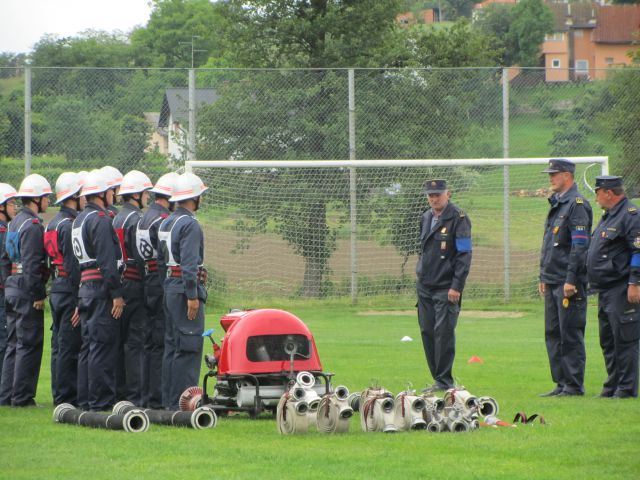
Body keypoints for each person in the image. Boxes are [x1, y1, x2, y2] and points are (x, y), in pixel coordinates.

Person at [538, 159, 593, 397]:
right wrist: (543, 275)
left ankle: (573, 385)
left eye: (554, 174)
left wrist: (571, 279)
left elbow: (579, 247)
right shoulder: (558, 203)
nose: (550, 178)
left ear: (567, 176)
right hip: (552, 279)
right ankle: (561, 383)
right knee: (553, 333)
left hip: (567, 282)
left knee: (570, 332)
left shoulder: (577, 205)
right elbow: (549, 245)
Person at [73, 169, 125, 411]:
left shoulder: (78, 220)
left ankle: (85, 400)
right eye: (111, 192)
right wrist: (116, 294)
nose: (114, 195)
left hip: (85, 288)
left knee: (88, 347)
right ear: (102, 194)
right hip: (100, 288)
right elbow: (107, 261)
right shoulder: (101, 220)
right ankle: (101, 403)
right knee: (102, 347)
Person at [416, 179, 472, 392]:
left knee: (444, 332)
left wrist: (457, 286)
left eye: (437, 194)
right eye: (430, 194)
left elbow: (464, 255)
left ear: (447, 194)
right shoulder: (426, 216)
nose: (433, 198)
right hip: (425, 285)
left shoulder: (459, 218)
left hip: (446, 286)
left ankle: (444, 380)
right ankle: (437, 379)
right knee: (427, 331)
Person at [587, 175, 640, 399]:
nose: (596, 197)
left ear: (609, 192)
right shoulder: (609, 216)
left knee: (625, 340)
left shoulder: (631, 216)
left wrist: (635, 283)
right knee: (608, 340)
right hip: (605, 289)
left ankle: (626, 389)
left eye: (597, 192)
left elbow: (638, 251)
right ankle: (612, 385)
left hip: (622, 288)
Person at [0, 174, 51, 407]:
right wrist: (38, 294)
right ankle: (21, 397)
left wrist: (9, 282)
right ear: (36, 199)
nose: (48, 202)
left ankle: (6, 395)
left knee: (13, 344)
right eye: (46, 198)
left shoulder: (13, 223)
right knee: (28, 343)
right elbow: (32, 264)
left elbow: (4, 259)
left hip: (12, 285)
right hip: (26, 289)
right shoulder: (31, 226)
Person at [158, 172, 208, 409]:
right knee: (188, 348)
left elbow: (160, 262)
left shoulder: (167, 221)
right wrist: (192, 296)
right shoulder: (189, 224)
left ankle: (169, 402)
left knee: (172, 348)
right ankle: (184, 404)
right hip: (184, 291)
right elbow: (189, 265)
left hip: (169, 288)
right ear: (194, 197)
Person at [137, 172, 178, 408]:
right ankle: (158, 398)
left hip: (146, 280)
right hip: (160, 282)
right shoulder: (162, 220)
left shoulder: (145, 217)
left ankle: (146, 396)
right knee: (162, 342)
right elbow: (166, 256)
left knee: (149, 343)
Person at [112, 170, 152, 406]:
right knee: (136, 342)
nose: (148, 197)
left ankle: (120, 391)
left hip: (120, 282)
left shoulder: (116, 217)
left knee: (120, 341)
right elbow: (141, 256)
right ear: (136, 195)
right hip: (135, 282)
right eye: (145, 193)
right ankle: (136, 395)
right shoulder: (136, 220)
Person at [45, 172, 85, 406]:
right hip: (69, 288)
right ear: (74, 196)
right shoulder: (70, 226)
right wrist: (79, 301)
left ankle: (58, 393)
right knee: (69, 344)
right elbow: (73, 264)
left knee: (59, 345)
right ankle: (67, 397)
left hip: (57, 286)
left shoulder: (52, 222)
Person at [0, 183, 18, 383]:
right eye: (11, 203)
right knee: (5, 341)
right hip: (3, 292)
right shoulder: (5, 231)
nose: (15, 207)